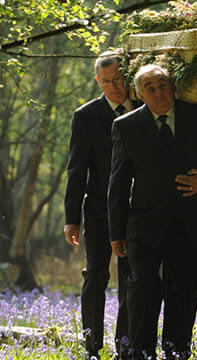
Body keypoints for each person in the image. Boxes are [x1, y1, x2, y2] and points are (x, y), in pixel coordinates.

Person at [108, 64, 197, 360]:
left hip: (189, 223)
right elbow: (118, 183)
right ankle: (139, 353)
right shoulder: (126, 126)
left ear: (173, 87)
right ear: (140, 94)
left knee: (184, 292)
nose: (159, 92)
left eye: (163, 85)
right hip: (144, 225)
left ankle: (177, 351)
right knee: (142, 293)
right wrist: (116, 232)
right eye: (150, 88)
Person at [63, 50, 138, 360]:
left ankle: (126, 345)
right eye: (107, 82)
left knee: (131, 278)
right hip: (98, 210)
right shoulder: (86, 116)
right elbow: (76, 169)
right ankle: (92, 346)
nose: (114, 87)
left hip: (137, 210)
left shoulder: (145, 107)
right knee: (96, 275)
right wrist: (71, 218)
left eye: (119, 79)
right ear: (98, 82)